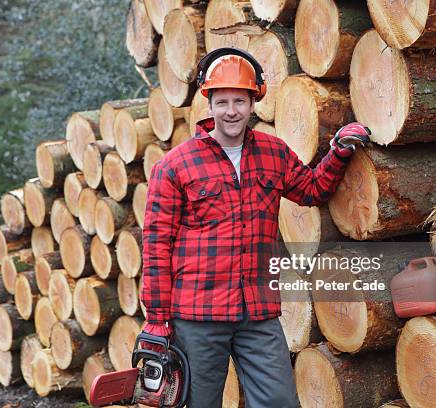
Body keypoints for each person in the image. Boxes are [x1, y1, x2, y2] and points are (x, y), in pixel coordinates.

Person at [140, 47, 370, 408]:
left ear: (253, 103)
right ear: (209, 104)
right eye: (223, 101)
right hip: (197, 315)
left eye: (240, 101)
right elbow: (156, 246)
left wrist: (338, 150)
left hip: (257, 311)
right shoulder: (175, 166)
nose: (231, 111)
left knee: (279, 401)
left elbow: (311, 190)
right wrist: (156, 318)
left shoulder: (273, 152)